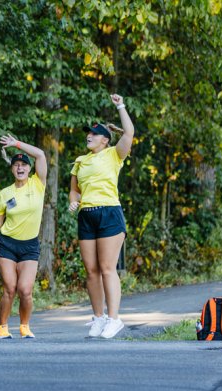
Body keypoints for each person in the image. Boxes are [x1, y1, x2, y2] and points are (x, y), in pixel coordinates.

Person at [69, 93, 135, 339]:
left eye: (95, 134)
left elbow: (128, 133)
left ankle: (114, 319)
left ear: (105, 140)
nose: (89, 136)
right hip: (87, 216)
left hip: (109, 213)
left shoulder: (113, 155)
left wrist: (121, 106)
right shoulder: (79, 161)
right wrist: (73, 203)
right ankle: (98, 318)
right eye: (88, 133)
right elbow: (74, 191)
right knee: (91, 270)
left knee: (108, 268)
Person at [0, 136, 47, 339]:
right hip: (7, 244)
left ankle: (24, 326)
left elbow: (41, 155)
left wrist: (16, 144)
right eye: (16, 164)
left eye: (24, 165)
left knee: (25, 290)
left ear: (29, 169)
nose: (20, 168)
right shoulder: (5, 193)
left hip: (29, 246)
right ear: (12, 169)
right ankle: (2, 327)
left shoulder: (37, 184)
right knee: (9, 288)